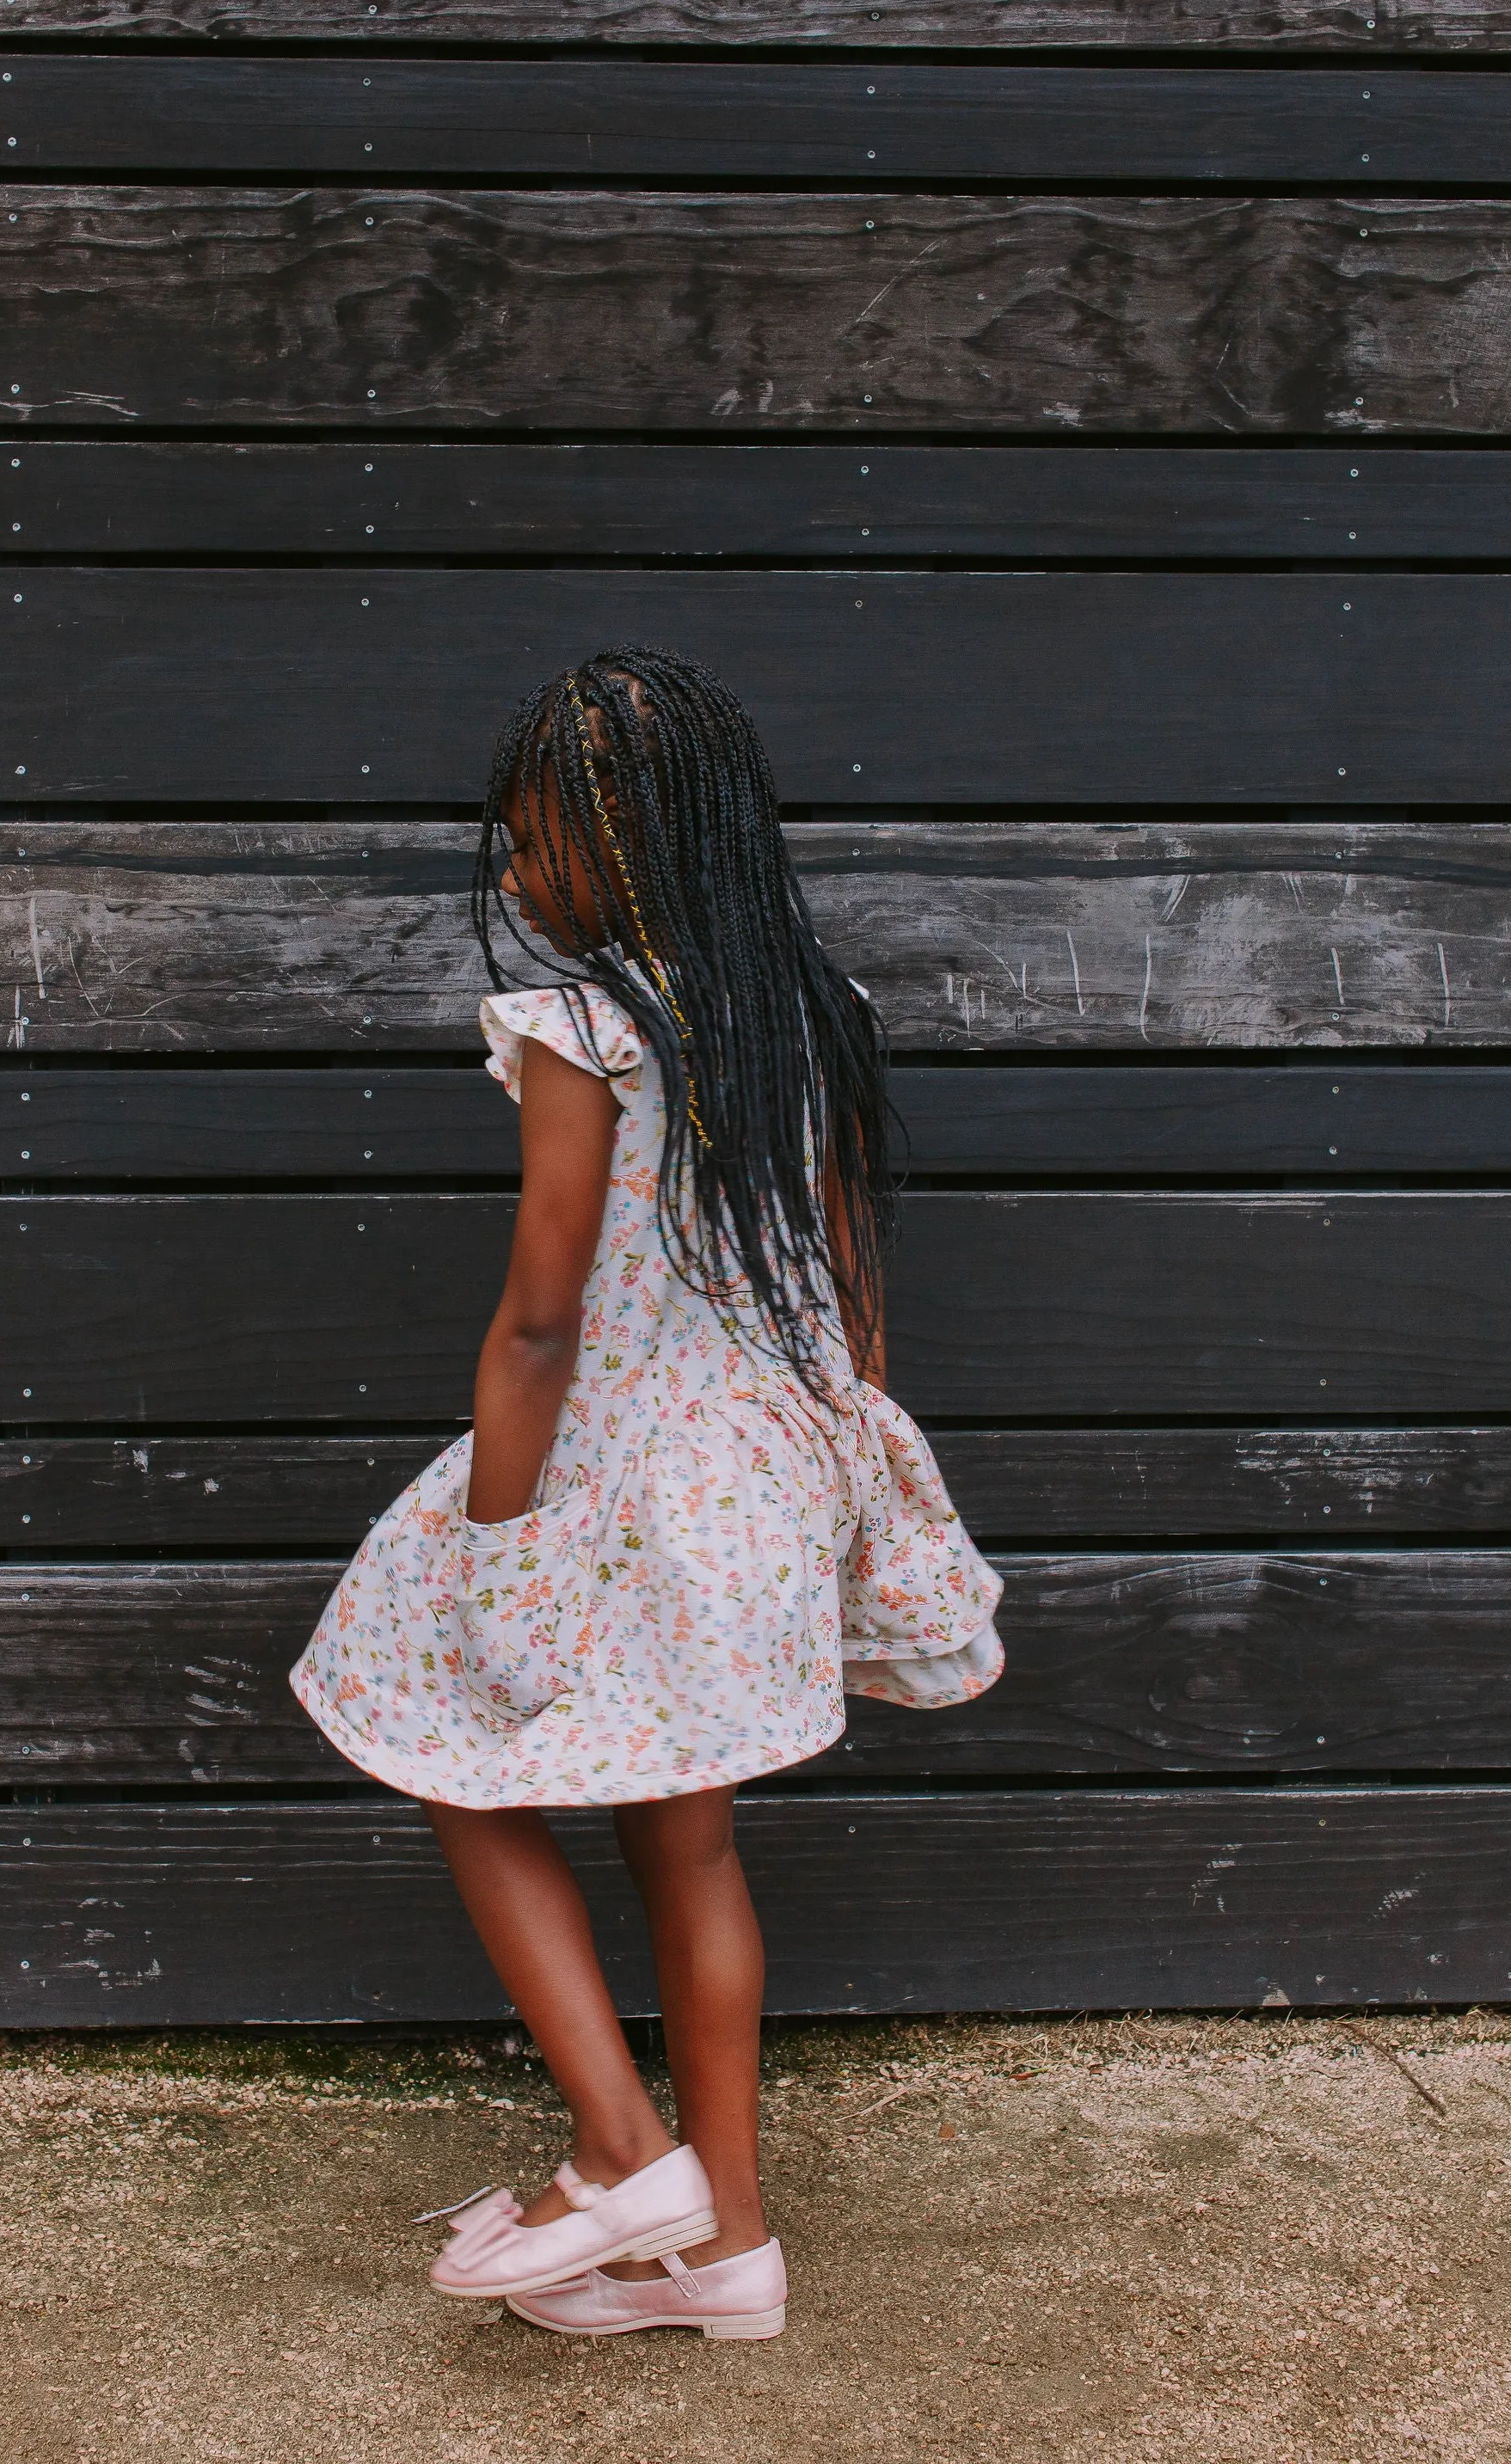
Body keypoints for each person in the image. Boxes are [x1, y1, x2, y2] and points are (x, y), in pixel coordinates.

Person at [292, 645, 1004, 2341]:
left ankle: (625, 2156)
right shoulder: (802, 1022)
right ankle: (727, 2252)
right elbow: (849, 1293)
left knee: (454, 1751)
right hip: (759, 1491)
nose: (525, 876)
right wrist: (836, 1481)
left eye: (540, 842)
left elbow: (542, 1316)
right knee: (691, 1850)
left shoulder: (579, 1029)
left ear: (627, 851)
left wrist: (493, 1531)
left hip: (616, 1489)